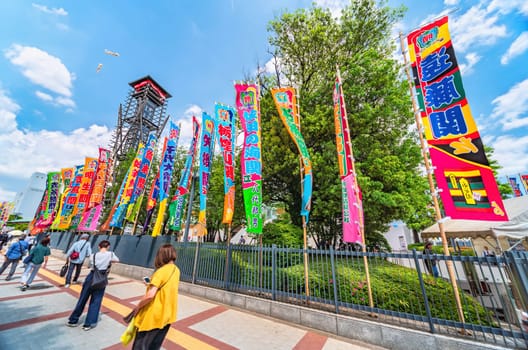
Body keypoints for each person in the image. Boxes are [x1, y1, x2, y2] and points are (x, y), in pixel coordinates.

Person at [131, 244, 180, 350]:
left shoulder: (161, 271)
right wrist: (151, 283)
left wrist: (138, 306)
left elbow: (150, 295)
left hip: (154, 316)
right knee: (154, 346)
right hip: (167, 315)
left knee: (141, 346)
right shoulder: (176, 270)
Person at [66, 240, 119, 330]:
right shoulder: (110, 254)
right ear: (108, 247)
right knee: (96, 301)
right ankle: (88, 324)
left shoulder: (93, 255)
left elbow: (91, 264)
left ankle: (73, 320)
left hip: (91, 276)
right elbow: (117, 260)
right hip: (101, 277)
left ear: (99, 246)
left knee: (82, 299)